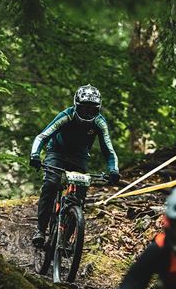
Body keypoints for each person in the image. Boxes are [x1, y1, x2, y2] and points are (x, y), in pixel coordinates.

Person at [30, 85, 119, 246]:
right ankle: (41, 231)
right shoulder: (66, 115)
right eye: (84, 108)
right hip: (57, 151)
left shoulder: (99, 122)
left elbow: (108, 150)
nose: (87, 113)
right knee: (51, 184)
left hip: (80, 156)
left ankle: (66, 237)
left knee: (79, 196)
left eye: (92, 110)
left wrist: (113, 170)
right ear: (76, 105)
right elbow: (43, 136)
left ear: (98, 110)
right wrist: (35, 155)